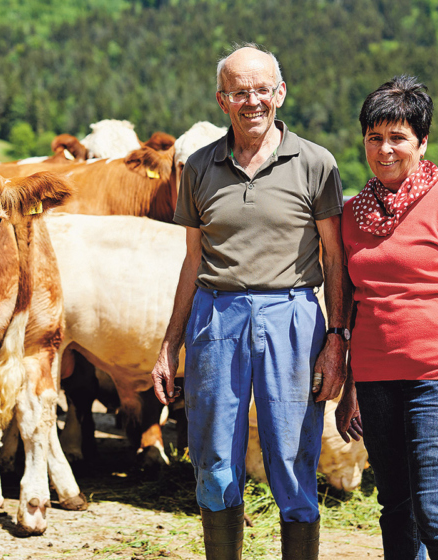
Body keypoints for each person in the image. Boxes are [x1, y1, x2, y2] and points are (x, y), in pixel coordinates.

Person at [151, 43, 349, 560]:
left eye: (262, 89)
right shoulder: (198, 166)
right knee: (214, 460)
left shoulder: (316, 164)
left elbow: (334, 260)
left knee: (290, 458)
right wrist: (168, 345)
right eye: (240, 92)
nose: (252, 100)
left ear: (280, 93)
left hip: (293, 317)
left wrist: (336, 339)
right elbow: (192, 261)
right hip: (216, 318)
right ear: (222, 100)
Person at [336, 75, 438, 559]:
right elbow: (352, 302)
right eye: (374, 138)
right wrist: (349, 387)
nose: (385, 149)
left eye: (398, 137)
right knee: (395, 506)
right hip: (375, 378)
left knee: (433, 510)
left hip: (431, 376)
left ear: (422, 142)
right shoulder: (352, 213)